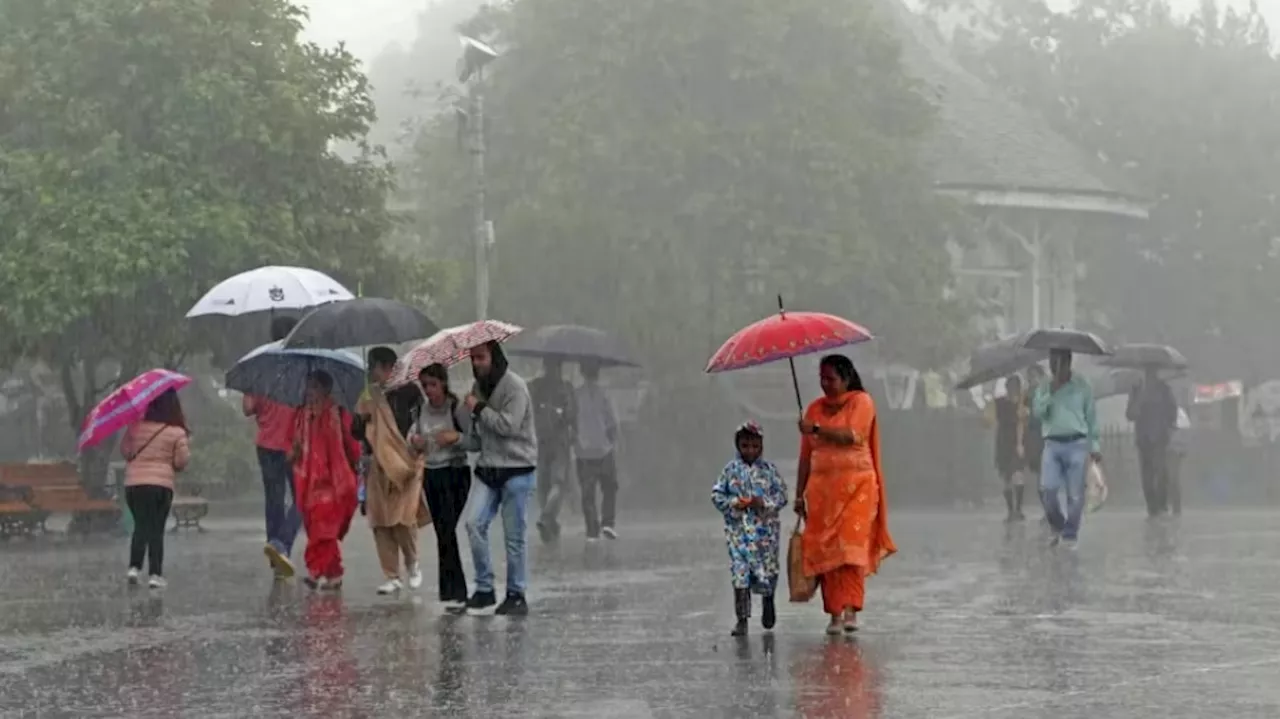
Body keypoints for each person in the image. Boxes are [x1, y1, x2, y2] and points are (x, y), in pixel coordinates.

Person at [795, 354, 897, 635]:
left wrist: (815, 429)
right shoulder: (814, 409)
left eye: (831, 378)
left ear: (846, 377)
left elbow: (853, 435)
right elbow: (805, 457)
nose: (825, 384)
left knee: (850, 549)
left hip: (858, 489)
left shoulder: (861, 402)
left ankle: (851, 609)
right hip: (822, 493)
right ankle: (834, 614)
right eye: (821, 379)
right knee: (827, 552)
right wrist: (798, 494)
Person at [463, 340, 538, 616]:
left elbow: (508, 425)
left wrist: (479, 408)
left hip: (517, 469)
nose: (476, 363)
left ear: (494, 357)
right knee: (473, 525)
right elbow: (475, 438)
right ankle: (484, 588)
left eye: (481, 357)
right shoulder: (476, 388)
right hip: (488, 468)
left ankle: (516, 594)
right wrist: (453, 438)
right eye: (472, 358)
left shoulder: (515, 387)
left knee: (514, 536)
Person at [354, 346, 429, 595]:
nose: (370, 372)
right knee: (380, 521)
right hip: (377, 464)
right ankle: (392, 575)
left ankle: (413, 563)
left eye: (373, 366)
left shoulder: (409, 391)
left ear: (386, 367)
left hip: (405, 461)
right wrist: (362, 416)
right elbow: (355, 432)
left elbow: (421, 423)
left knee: (403, 517)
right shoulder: (369, 396)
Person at [711, 420, 787, 637]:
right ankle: (742, 618)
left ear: (761, 446)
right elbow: (716, 495)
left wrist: (763, 503)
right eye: (745, 446)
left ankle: (768, 600)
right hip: (739, 533)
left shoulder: (770, 471)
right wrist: (734, 503)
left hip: (766, 535)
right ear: (738, 445)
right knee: (740, 574)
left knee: (768, 571)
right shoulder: (730, 470)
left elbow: (782, 496)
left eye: (754, 446)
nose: (750, 451)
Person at [289, 371, 362, 590]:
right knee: (315, 527)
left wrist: (358, 466)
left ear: (325, 389)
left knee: (325, 530)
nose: (310, 392)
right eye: (308, 387)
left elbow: (353, 444)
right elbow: (293, 447)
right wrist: (294, 451)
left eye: (314, 387)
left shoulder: (338, 413)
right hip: (309, 482)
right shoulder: (302, 416)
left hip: (334, 482)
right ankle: (333, 573)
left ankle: (316, 571)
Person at [409, 363, 473, 608]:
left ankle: (457, 591)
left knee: (447, 529)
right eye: (424, 385)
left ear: (443, 384)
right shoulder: (420, 411)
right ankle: (451, 592)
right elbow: (412, 439)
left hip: (455, 474)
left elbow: (474, 441)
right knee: (442, 532)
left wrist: (454, 438)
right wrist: (414, 442)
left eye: (433, 385)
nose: (428, 390)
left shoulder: (456, 409)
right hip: (432, 474)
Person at [244, 316, 303, 578]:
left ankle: (275, 554)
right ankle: (282, 545)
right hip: (294, 444)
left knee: (274, 500)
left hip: (266, 444)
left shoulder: (261, 367)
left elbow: (248, 408)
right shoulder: (301, 366)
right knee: (302, 498)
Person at [1032, 349, 1101, 548]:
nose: (1057, 367)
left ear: (1069, 362)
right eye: (1053, 363)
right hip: (1052, 444)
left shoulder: (1082, 385)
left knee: (1075, 495)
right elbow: (1038, 413)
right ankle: (1059, 525)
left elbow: (1091, 417)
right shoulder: (1045, 385)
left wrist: (1094, 446)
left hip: (1077, 444)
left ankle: (1070, 535)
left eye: (1060, 363)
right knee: (1048, 491)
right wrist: (1051, 392)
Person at [122, 389, 191, 589]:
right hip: (160, 486)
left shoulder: (135, 427)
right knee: (156, 529)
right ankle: (155, 573)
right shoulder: (176, 432)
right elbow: (181, 461)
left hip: (134, 485)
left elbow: (126, 452)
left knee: (141, 525)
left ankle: (134, 567)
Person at [528, 358, 576, 543]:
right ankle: (547, 517)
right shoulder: (566, 388)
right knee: (559, 483)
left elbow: (528, 410)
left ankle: (549, 522)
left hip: (539, 440)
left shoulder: (535, 386)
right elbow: (572, 415)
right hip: (559, 442)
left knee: (544, 484)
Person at [575, 361, 620, 541]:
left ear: (582, 372)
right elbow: (612, 422)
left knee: (588, 493)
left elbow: (570, 419)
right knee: (610, 487)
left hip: (583, 451)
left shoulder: (575, 395)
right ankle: (607, 523)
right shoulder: (605, 394)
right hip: (604, 449)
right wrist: (613, 441)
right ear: (598, 373)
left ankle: (591, 530)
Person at [1126, 367, 1178, 517]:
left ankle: (1161, 504)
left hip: (1160, 437)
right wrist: (1138, 402)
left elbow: (1172, 411)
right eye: (1147, 373)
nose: (1149, 376)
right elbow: (1130, 414)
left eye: (1152, 373)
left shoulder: (1164, 390)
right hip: (1143, 438)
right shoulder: (1137, 391)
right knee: (1147, 475)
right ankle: (1152, 507)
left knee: (1161, 471)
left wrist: (1169, 424)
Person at [992, 374, 1027, 522]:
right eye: (1010, 387)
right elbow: (989, 418)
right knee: (1006, 476)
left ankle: (1018, 509)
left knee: (1017, 474)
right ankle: (1011, 510)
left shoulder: (1021, 404)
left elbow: (1021, 423)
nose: (1013, 390)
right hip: (1003, 440)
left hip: (1014, 440)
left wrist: (1020, 444)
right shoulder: (1000, 403)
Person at [1167, 405, 1191, 516]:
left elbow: (1183, 434)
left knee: (1173, 478)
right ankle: (1172, 506)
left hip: (1173, 451)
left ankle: (1175, 507)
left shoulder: (1178, 412)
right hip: (1170, 450)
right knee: (1169, 478)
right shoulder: (1178, 412)